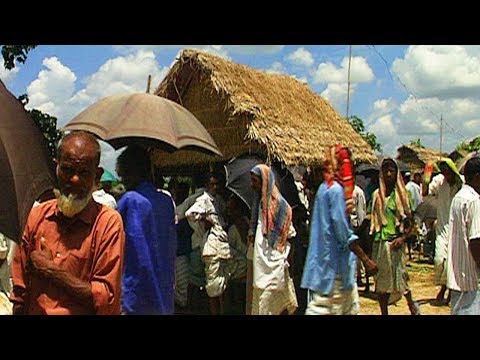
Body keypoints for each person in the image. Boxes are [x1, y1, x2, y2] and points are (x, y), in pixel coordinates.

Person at [10, 131, 125, 315]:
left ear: (97, 176)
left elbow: (105, 299)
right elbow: (20, 292)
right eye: (68, 170)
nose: (74, 180)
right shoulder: (36, 216)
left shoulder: (107, 224)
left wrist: (51, 271)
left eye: (84, 172)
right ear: (56, 168)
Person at [301, 145, 377, 315]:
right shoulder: (335, 191)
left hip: (326, 263)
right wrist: (365, 259)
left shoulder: (323, 188)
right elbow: (342, 233)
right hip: (334, 266)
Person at [116, 145, 177, 315]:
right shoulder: (166, 201)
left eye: (123, 175)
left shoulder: (129, 200)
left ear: (132, 172)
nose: (122, 180)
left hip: (135, 294)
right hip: (163, 290)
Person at [185, 173, 246, 315]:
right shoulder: (204, 200)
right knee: (213, 287)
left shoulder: (218, 200)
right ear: (207, 185)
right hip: (211, 247)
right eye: (212, 184)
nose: (215, 187)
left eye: (216, 184)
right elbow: (190, 214)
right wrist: (205, 220)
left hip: (221, 246)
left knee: (223, 283)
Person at [370, 158, 420, 315]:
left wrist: (402, 238)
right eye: (385, 171)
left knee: (402, 280)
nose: (388, 174)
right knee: (382, 283)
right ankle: (384, 312)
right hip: (380, 241)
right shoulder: (376, 196)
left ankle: (412, 307)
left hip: (396, 243)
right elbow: (372, 221)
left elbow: (411, 223)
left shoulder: (403, 196)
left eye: (391, 171)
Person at [248, 164, 298, 315]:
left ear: (265, 181)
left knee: (275, 297)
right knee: (261, 296)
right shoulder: (259, 205)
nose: (252, 185)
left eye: (255, 181)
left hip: (274, 260)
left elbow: (289, 233)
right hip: (260, 262)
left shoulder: (280, 206)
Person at [446, 156, 480, 314]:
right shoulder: (474, 201)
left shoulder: (458, 198)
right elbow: (476, 241)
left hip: (458, 278)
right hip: (472, 281)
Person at [428, 158, 463, 304]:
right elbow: (426, 192)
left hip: (457, 230)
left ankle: (446, 291)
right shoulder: (439, 182)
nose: (446, 174)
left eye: (448, 171)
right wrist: (426, 174)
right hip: (442, 229)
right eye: (444, 171)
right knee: (439, 260)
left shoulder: (461, 184)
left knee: (451, 263)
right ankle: (444, 288)